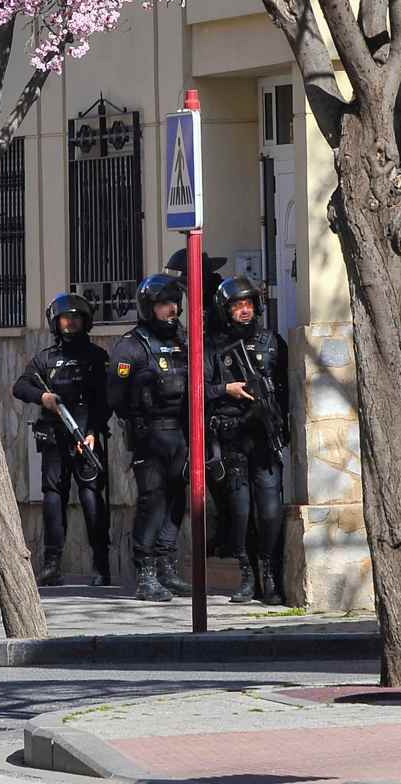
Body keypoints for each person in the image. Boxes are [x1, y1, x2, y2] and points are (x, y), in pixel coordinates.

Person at [13, 293, 112, 587]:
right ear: (56, 322)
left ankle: (101, 565)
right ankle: (52, 563)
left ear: (86, 321)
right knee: (54, 499)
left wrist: (93, 430)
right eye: (65, 318)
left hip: (86, 436)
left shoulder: (96, 357)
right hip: (55, 436)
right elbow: (20, 387)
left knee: (92, 498)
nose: (70, 323)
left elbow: (105, 399)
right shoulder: (45, 358)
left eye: (76, 317)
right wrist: (43, 397)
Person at [107, 274, 193, 602]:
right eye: (163, 304)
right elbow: (115, 395)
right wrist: (138, 406)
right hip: (150, 434)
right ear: (148, 307)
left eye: (174, 303)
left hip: (181, 433)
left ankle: (167, 565)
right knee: (152, 501)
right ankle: (145, 573)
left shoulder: (184, 341)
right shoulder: (132, 345)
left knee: (176, 500)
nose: (171, 309)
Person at [206, 275, 289, 605]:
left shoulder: (272, 342)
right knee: (240, 513)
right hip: (232, 438)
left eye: (249, 304)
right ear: (226, 310)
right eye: (238, 306)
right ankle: (247, 574)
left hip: (264, 438)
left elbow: (285, 388)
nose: (244, 311)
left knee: (269, 511)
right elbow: (197, 390)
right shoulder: (212, 345)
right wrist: (226, 389)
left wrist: (282, 424)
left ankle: (269, 572)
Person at [163, 248, 234, 558]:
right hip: (208, 391)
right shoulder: (202, 297)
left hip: (220, 392)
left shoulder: (216, 298)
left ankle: (232, 534)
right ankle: (222, 532)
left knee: (221, 470)